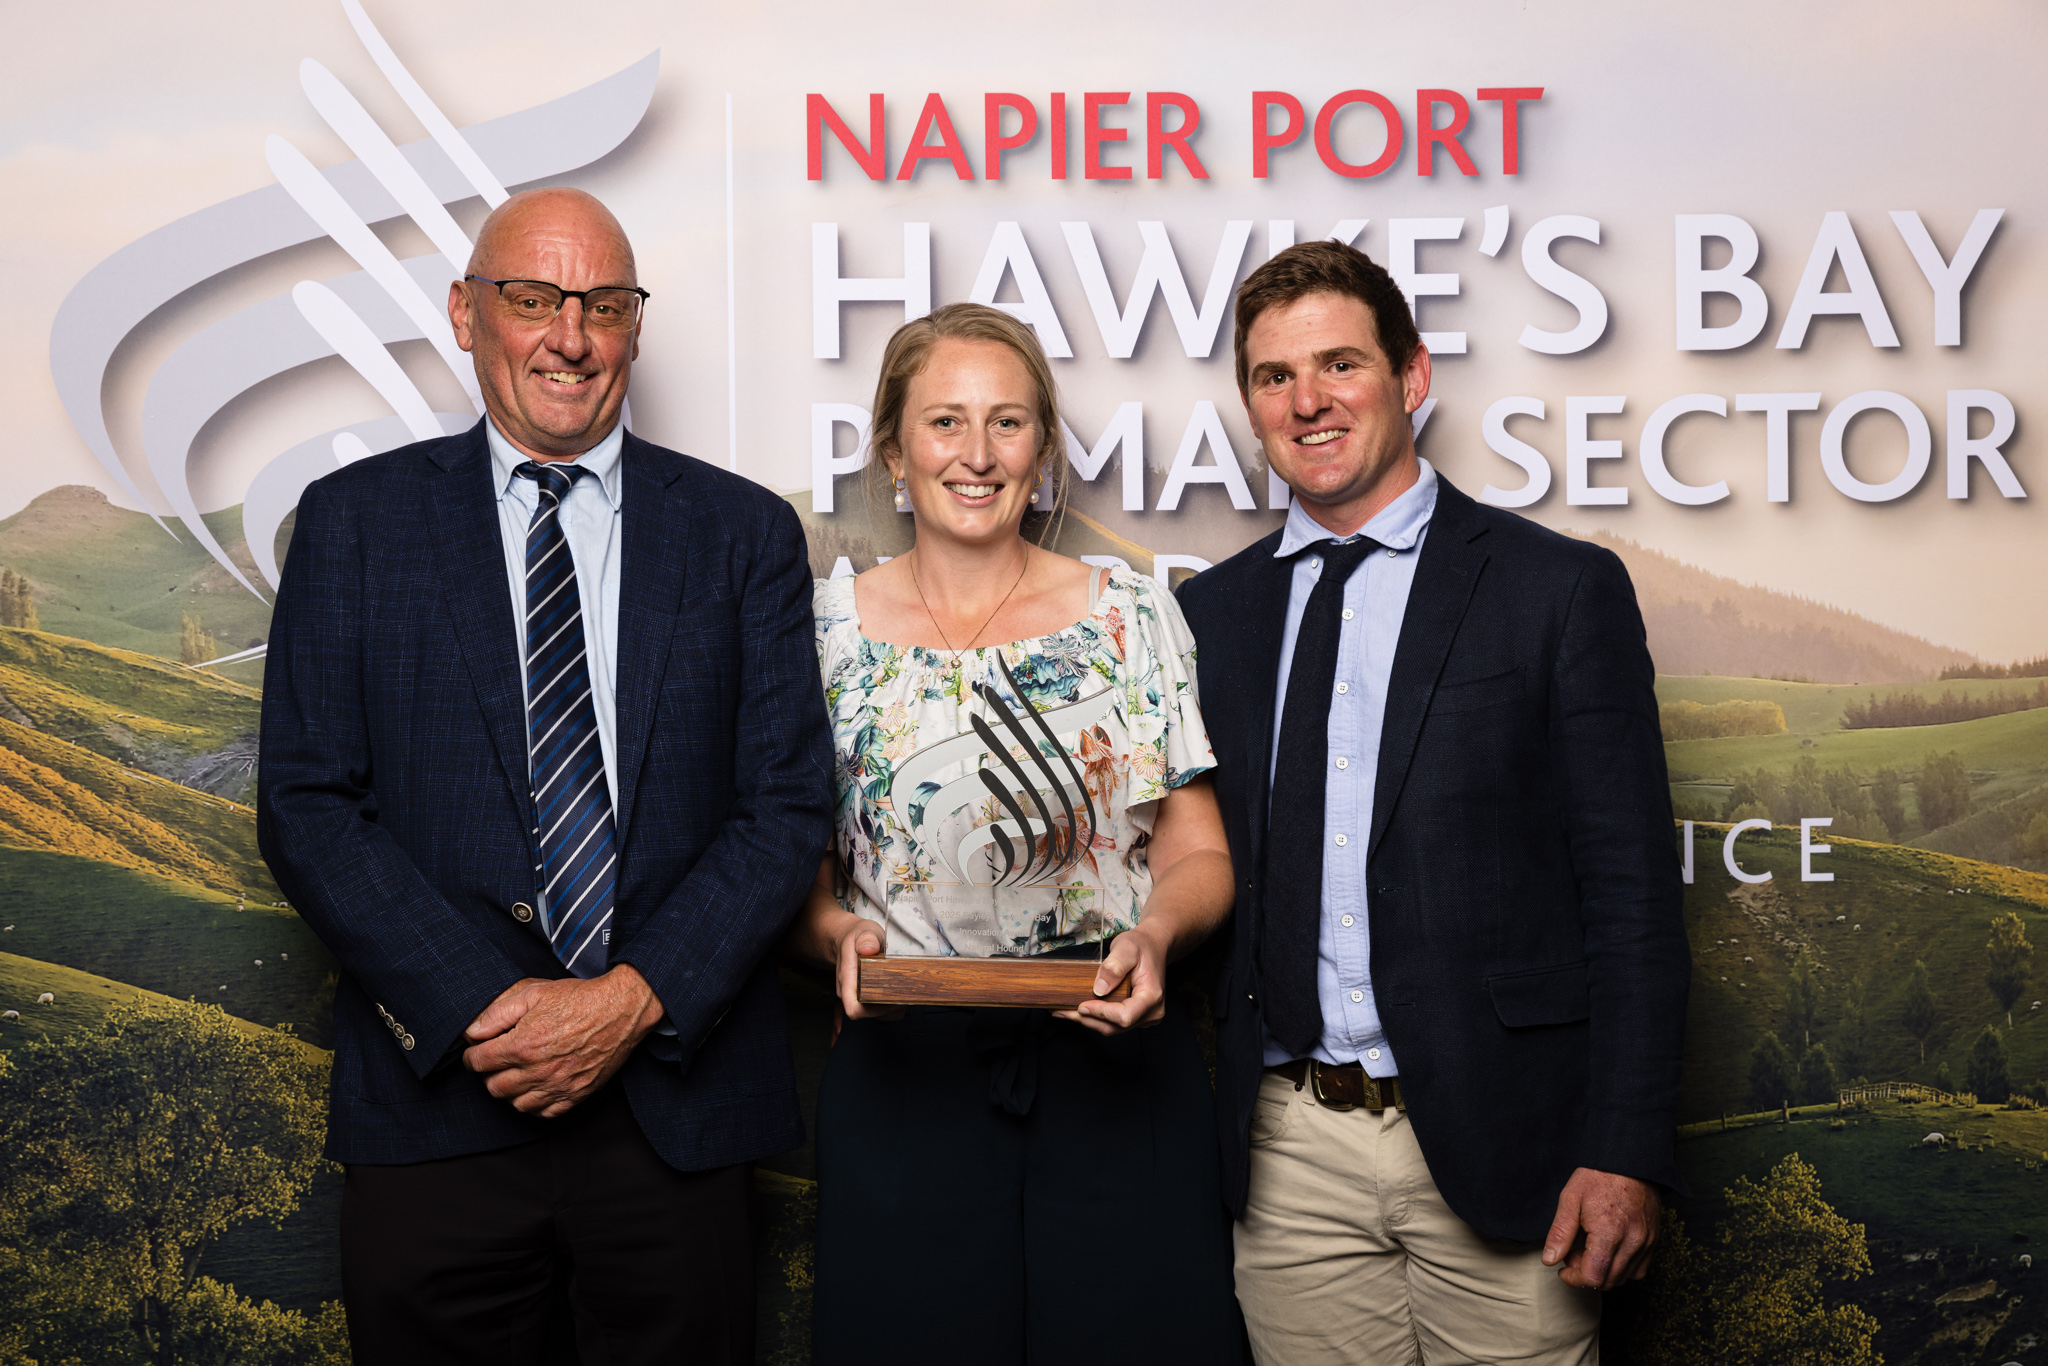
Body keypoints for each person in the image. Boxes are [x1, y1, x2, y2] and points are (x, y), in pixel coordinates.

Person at [257, 187, 831, 1364]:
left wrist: (626, 1002)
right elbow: (308, 803)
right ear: (466, 313)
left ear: (634, 329)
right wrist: (492, 1011)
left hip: (673, 1111)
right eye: (533, 299)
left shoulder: (743, 534)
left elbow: (783, 808)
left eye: (603, 306)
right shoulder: (354, 523)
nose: (570, 337)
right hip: (439, 1106)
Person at [1176, 240, 1690, 1365]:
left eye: (1339, 364)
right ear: (1250, 405)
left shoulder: (1555, 590)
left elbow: (1633, 899)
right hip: (1288, 1158)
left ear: (1410, 376)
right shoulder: (1209, 617)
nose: (1307, 401)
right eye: (1273, 376)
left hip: (1509, 1145)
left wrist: (1625, 1147)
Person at [788, 302, 1243, 1365]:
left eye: (1007, 422)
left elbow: (1198, 852)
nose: (977, 453)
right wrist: (834, 936)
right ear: (893, 450)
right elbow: (798, 875)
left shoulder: (1132, 616)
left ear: (1041, 451)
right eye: (945, 421)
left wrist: (1156, 936)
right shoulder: (818, 634)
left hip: (1113, 1069)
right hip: (903, 1081)